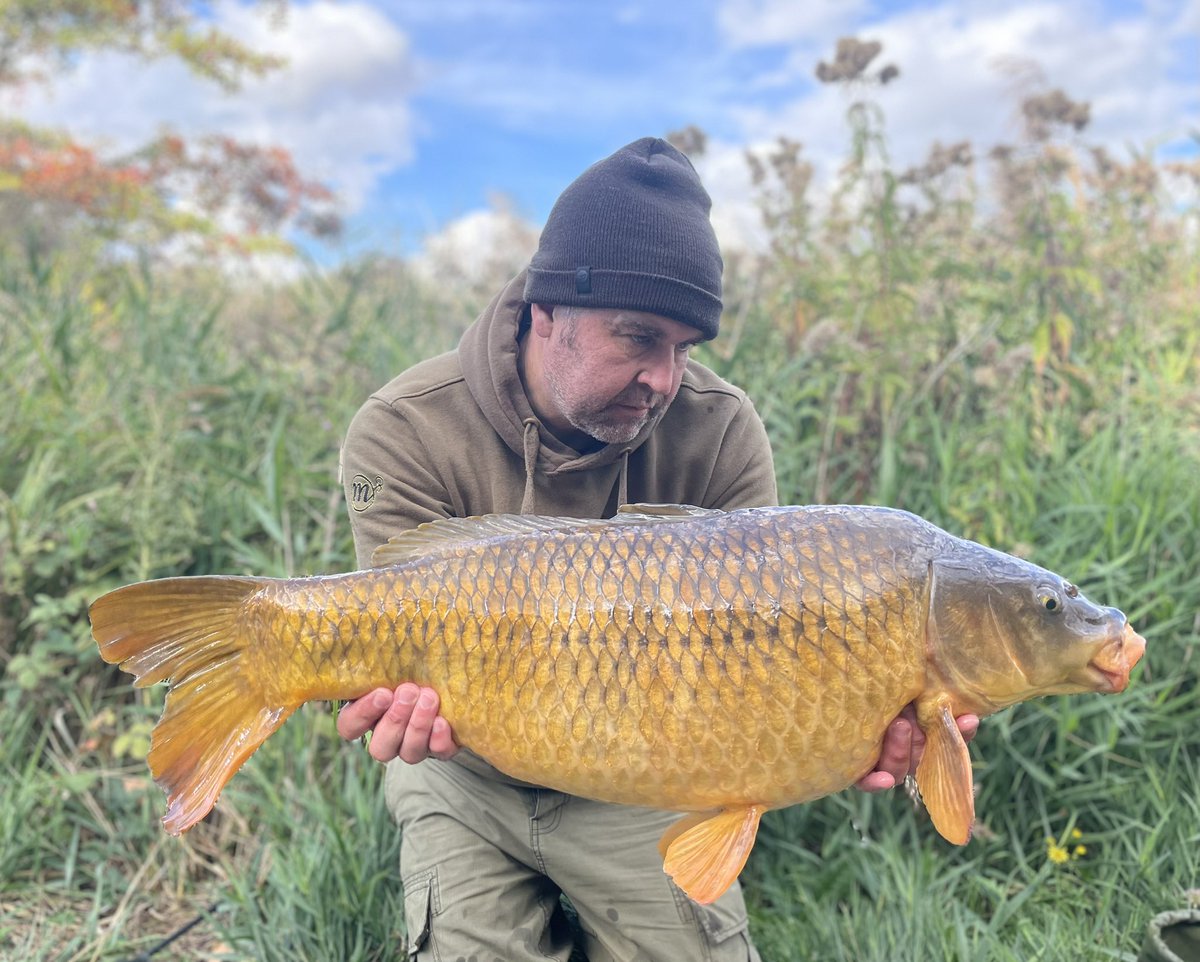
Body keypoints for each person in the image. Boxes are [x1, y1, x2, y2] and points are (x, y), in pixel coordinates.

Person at [336, 137, 978, 962]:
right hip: (465, 772)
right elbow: (382, 636)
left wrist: (841, 725)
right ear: (547, 312)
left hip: (649, 774)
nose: (663, 379)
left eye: (684, 349)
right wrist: (384, 700)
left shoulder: (721, 430)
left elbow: (766, 660)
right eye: (638, 339)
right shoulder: (405, 426)